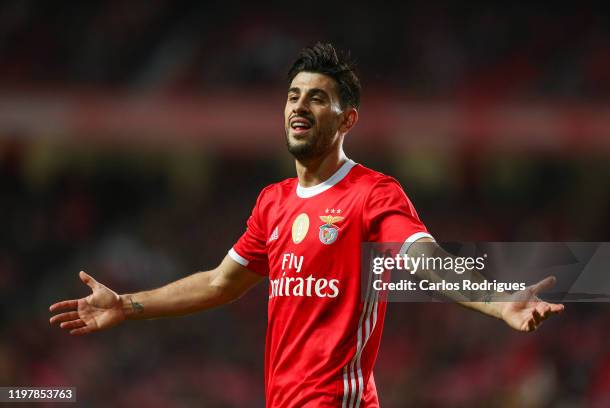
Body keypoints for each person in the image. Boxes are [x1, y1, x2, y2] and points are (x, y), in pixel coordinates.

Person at [49, 43, 564, 407]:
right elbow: (218, 283)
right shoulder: (272, 202)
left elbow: (424, 262)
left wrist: (497, 302)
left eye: (317, 97)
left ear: (347, 119)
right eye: (294, 95)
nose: (300, 105)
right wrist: (126, 306)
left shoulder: (373, 193)